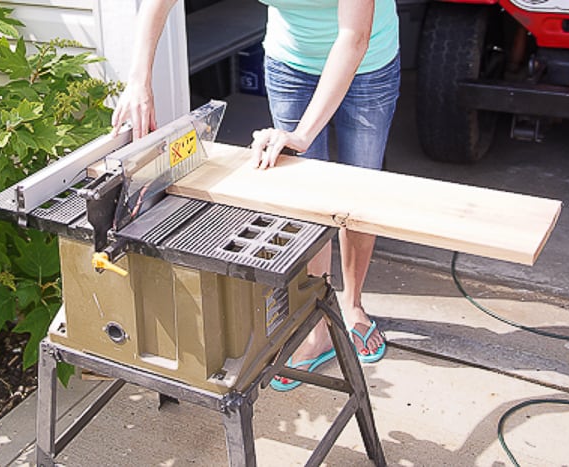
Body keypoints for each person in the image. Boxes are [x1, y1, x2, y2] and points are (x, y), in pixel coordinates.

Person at [111, 0, 400, 392]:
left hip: (369, 64)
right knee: (304, 197)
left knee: (358, 193)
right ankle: (316, 318)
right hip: (291, 62)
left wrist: (300, 136)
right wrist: (138, 78)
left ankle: (351, 306)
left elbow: (354, 37)